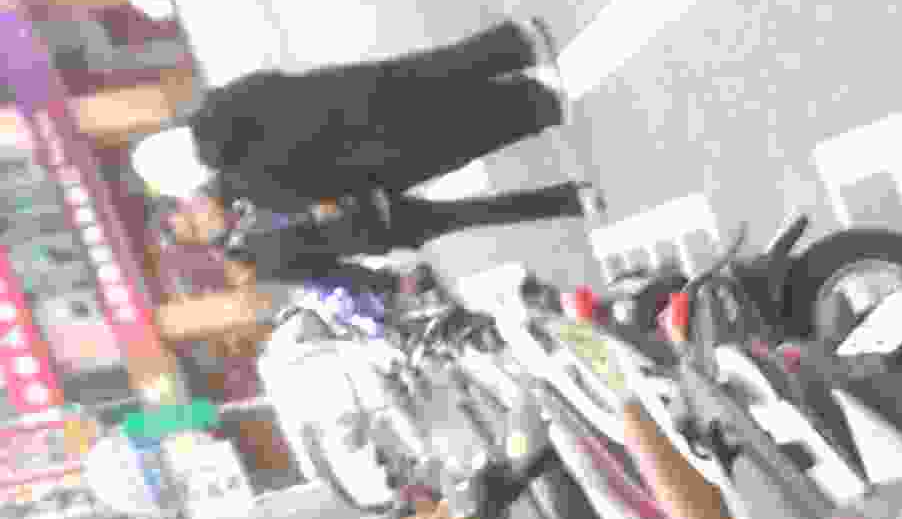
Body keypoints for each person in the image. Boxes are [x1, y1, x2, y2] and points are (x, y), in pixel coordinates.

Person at [130, 19, 565, 207]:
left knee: (459, 134)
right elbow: (268, 82)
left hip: (371, 150)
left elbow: (322, 187)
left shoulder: (250, 184)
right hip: (344, 91)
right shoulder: (218, 106)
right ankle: (516, 42)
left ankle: (538, 102)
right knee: (432, 71)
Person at [162, 180, 592, 285]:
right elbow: (323, 271)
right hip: (372, 228)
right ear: (199, 242)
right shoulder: (247, 259)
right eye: (194, 230)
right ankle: (568, 199)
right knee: (470, 215)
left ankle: (529, 104)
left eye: (190, 214)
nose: (200, 219)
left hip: (358, 178)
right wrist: (388, 283)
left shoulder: (231, 186)